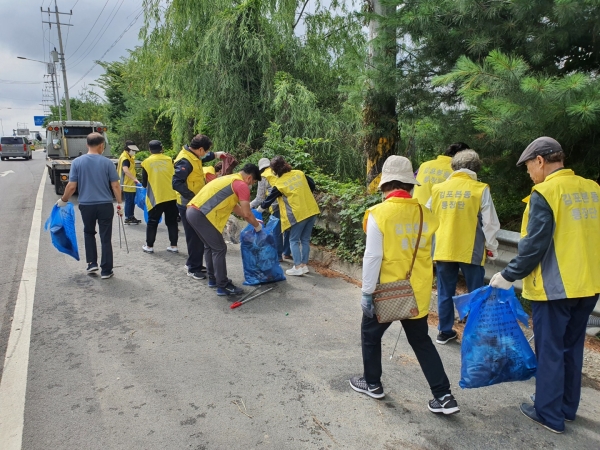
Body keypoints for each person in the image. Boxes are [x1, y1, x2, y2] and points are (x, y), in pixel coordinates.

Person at [489, 137, 600, 434]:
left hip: (555, 287)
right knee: (571, 347)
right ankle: (566, 407)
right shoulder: (592, 188)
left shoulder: (546, 192)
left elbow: (534, 245)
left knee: (550, 349)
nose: (529, 174)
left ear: (539, 161)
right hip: (589, 285)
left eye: (528, 167)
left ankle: (548, 413)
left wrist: (508, 275)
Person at [349, 156, 459, 415]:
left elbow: (373, 257)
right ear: (411, 185)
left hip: (388, 292)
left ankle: (373, 383)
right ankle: (444, 396)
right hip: (416, 291)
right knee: (421, 341)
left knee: (370, 334)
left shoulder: (378, 214)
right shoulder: (426, 214)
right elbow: (426, 251)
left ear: (385, 186)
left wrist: (367, 293)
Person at [428, 149, 500, 344]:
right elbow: (490, 223)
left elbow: (427, 216)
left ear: (453, 166)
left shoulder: (437, 189)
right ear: (476, 167)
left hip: (444, 248)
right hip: (471, 249)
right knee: (475, 291)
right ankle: (474, 333)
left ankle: (444, 331)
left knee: (445, 291)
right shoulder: (480, 189)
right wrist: (492, 247)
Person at [186, 164, 263, 296]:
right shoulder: (242, 185)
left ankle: (213, 279)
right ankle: (223, 285)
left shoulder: (229, 179)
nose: (252, 185)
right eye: (254, 182)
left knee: (210, 247)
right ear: (249, 178)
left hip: (192, 211)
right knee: (219, 248)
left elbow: (235, 207)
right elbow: (247, 213)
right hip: (202, 215)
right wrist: (257, 226)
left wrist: (252, 220)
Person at [56, 132, 122, 279]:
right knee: (106, 237)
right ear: (101, 145)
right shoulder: (107, 163)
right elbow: (115, 185)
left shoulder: (77, 162)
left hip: (86, 205)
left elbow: (71, 186)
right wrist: (119, 203)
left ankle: (92, 263)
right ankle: (106, 270)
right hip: (105, 205)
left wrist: (63, 200)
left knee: (89, 233)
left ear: (87, 144)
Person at [172, 134, 225, 279]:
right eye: (207, 151)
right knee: (194, 237)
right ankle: (193, 268)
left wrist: (216, 154)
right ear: (200, 149)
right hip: (188, 204)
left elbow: (203, 158)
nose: (207, 154)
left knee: (197, 236)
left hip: (195, 203)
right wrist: (193, 197)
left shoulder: (193, 155)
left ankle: (193, 263)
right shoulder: (185, 161)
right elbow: (176, 183)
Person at [257, 156, 320, 276]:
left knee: (294, 240)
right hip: (311, 209)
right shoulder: (299, 173)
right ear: (286, 164)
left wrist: (258, 211)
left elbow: (269, 200)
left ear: (274, 170)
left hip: (298, 214)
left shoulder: (280, 184)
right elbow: (312, 185)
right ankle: (304, 265)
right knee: (305, 240)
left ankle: (297, 267)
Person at [141, 140, 179, 254]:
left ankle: (149, 246)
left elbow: (144, 183)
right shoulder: (169, 160)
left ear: (149, 150)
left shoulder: (146, 163)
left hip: (156, 197)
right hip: (172, 196)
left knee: (152, 222)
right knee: (172, 222)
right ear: (162, 149)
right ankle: (174, 246)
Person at [250, 158, 286, 261]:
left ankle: (278, 256)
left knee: (276, 231)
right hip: (288, 204)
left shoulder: (263, 176)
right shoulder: (277, 172)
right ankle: (287, 252)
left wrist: (249, 206)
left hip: (276, 205)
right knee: (287, 229)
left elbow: (260, 198)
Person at [117, 140, 142, 225]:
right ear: (128, 149)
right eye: (133, 150)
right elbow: (126, 170)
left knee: (131, 201)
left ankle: (131, 216)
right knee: (129, 201)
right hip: (127, 183)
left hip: (130, 183)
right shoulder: (125, 158)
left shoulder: (128, 156)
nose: (134, 152)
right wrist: (135, 179)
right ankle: (128, 217)